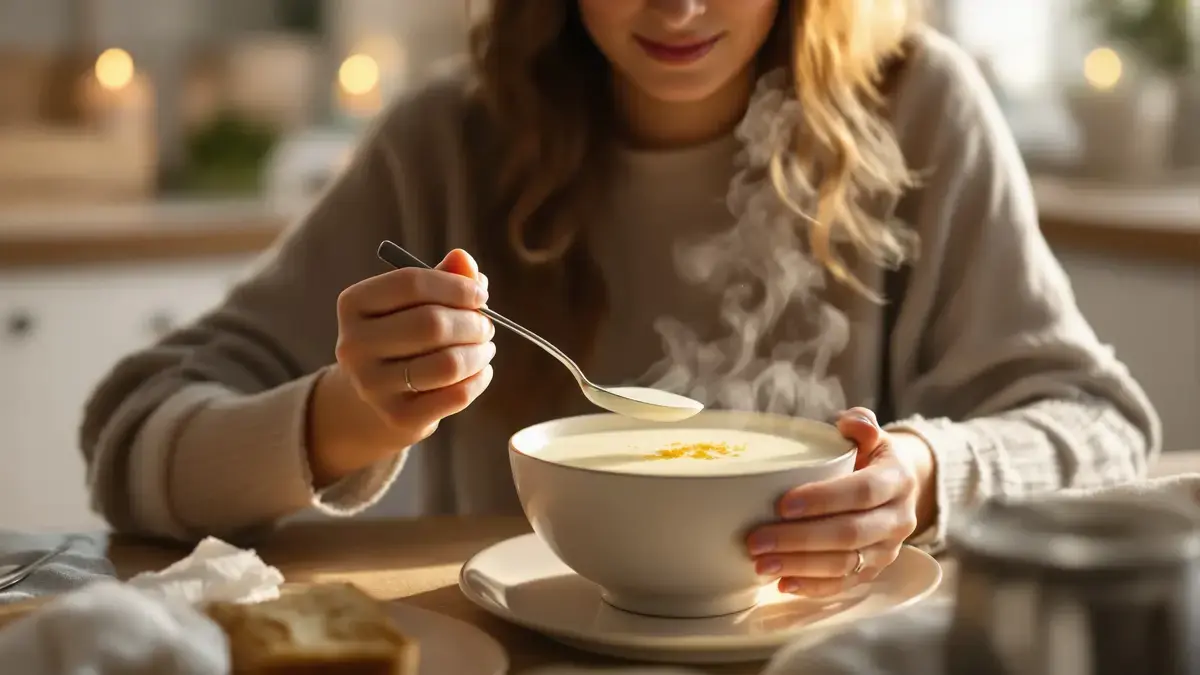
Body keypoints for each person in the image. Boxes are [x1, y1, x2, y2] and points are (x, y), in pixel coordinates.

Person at [81, 0, 1158, 599]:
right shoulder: (451, 142)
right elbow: (130, 444)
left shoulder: (919, 112)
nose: (676, 6)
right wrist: (349, 417)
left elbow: (1103, 426)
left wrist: (923, 478)